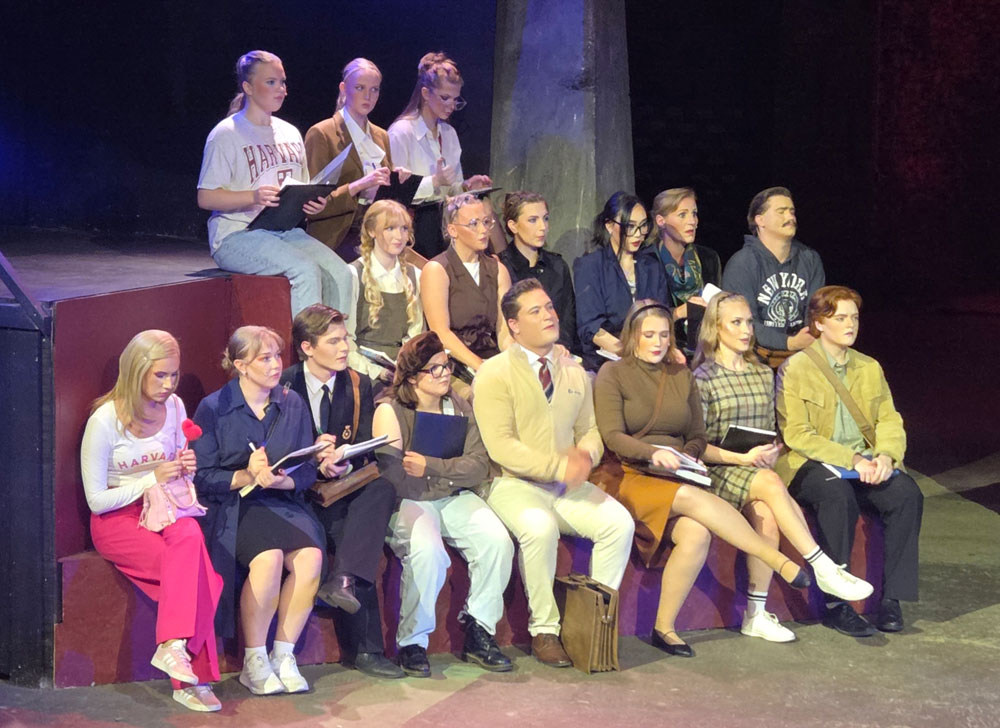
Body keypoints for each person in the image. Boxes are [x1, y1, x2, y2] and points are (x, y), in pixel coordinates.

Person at [592, 300, 816, 656]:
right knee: (692, 498)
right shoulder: (613, 373)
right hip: (630, 473)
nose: (658, 342)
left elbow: (697, 434)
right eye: (649, 335)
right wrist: (652, 453)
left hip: (674, 472)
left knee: (696, 534)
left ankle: (664, 628)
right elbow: (612, 436)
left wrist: (688, 456)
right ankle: (777, 560)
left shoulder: (680, 375)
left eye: (664, 335)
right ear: (632, 336)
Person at [473, 279, 635, 668]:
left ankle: (597, 623)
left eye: (549, 307)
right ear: (514, 326)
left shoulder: (574, 371)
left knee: (619, 523)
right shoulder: (494, 373)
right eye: (536, 311)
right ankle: (544, 630)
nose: (549, 315)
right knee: (540, 527)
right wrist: (558, 465)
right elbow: (501, 446)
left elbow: (590, 430)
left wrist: (586, 456)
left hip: (566, 485)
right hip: (512, 483)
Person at [692, 293, 873, 642]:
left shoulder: (762, 373)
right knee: (772, 484)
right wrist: (742, 459)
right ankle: (822, 565)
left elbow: (771, 432)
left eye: (749, 322)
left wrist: (772, 452)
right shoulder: (702, 377)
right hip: (718, 469)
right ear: (716, 328)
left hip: (755, 471)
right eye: (736, 323)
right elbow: (698, 445)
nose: (746, 330)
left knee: (767, 516)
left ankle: (755, 615)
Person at [80, 330, 222, 712]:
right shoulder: (104, 420)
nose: (168, 384)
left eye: (173, 375)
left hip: (165, 505)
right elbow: (96, 500)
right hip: (117, 518)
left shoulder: (175, 407)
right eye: (160, 375)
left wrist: (185, 467)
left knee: (190, 534)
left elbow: (176, 469)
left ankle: (173, 646)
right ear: (135, 370)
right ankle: (194, 678)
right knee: (199, 578)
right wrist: (150, 479)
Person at [777, 286, 923, 637]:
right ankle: (835, 604)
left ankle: (891, 598)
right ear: (818, 323)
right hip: (812, 463)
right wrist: (852, 459)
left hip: (864, 463)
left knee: (907, 494)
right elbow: (797, 434)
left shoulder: (869, 367)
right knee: (836, 495)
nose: (850, 324)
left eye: (854, 317)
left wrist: (886, 455)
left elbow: (889, 419)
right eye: (840, 318)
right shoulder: (796, 368)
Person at [193, 326, 325, 695]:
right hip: (236, 505)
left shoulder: (292, 403)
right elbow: (202, 477)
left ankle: (283, 654)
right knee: (268, 558)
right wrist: (247, 475)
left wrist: (282, 481)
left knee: (310, 557)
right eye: (264, 358)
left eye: (277, 356)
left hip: (281, 502)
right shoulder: (214, 407)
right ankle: (253, 661)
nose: (275, 365)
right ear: (240, 366)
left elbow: (306, 470)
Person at [372, 332, 514, 676]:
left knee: (497, 541)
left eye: (446, 365)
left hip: (451, 494)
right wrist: (446, 473)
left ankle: (479, 629)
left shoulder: (458, 405)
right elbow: (394, 476)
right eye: (434, 369)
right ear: (412, 377)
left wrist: (433, 467)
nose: (445, 374)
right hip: (408, 500)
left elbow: (478, 464)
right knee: (428, 550)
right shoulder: (391, 410)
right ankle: (412, 642)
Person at [279, 304, 404, 679]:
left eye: (345, 339)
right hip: (297, 491)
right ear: (307, 347)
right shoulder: (285, 385)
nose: (344, 347)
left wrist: (344, 462)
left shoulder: (358, 383)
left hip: (340, 485)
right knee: (351, 531)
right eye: (333, 341)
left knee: (381, 488)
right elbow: (274, 449)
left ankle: (342, 581)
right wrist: (315, 461)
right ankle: (364, 647)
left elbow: (363, 444)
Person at [197, 50, 352, 318]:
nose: (281, 89)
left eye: (282, 82)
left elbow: (300, 187)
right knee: (304, 269)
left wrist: (313, 203)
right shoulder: (226, 134)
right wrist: (253, 197)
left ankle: (342, 341)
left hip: (284, 231)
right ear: (248, 87)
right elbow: (206, 197)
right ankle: (308, 344)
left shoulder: (290, 132)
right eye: (271, 82)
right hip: (237, 234)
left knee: (342, 273)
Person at [305, 58, 402, 257]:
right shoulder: (322, 133)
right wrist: (358, 186)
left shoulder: (381, 136)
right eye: (360, 88)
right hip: (337, 235)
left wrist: (397, 180)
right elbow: (312, 205)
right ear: (343, 88)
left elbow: (385, 196)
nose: (368, 96)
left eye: (374, 90)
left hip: (376, 230)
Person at [721, 187, 825, 366]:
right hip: (755, 359)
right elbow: (744, 322)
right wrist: (788, 342)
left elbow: (817, 311)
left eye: (792, 211)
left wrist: (807, 338)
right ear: (760, 220)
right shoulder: (741, 264)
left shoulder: (810, 258)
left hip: (804, 354)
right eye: (781, 211)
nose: (790, 217)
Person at [573, 191, 669, 371]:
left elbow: (662, 314)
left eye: (643, 226)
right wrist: (629, 353)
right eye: (630, 226)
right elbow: (591, 327)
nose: (638, 234)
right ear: (610, 226)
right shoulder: (590, 266)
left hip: (649, 356)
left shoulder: (652, 266)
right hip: (607, 362)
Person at [420, 193, 512, 379]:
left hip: (491, 356)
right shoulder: (437, 270)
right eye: (473, 224)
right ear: (453, 230)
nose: (483, 230)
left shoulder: (498, 270)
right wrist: (480, 366)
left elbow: (504, 331)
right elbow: (441, 333)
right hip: (453, 363)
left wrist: (512, 362)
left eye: (486, 222)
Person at [387, 52, 491, 205]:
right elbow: (394, 193)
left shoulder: (449, 134)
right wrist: (435, 181)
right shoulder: (401, 132)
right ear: (425, 93)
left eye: (455, 99)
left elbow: (451, 191)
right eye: (445, 98)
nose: (452, 106)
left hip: (443, 217)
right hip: (410, 217)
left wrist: (466, 186)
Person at [345, 200, 424, 387]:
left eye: (404, 228)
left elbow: (415, 334)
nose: (399, 236)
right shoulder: (353, 274)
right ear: (372, 231)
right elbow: (346, 340)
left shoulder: (415, 275)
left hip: (402, 369)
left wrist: (406, 368)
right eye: (390, 228)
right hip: (363, 371)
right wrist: (376, 371)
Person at [498, 190, 578, 352]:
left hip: (558, 351)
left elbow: (568, 319)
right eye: (533, 220)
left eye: (545, 219)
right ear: (513, 225)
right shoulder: (500, 267)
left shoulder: (558, 266)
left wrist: (560, 347)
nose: (543, 227)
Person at [651, 187, 721, 354]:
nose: (692, 221)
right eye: (682, 215)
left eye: (694, 214)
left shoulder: (708, 258)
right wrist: (679, 312)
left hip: (704, 348)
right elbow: (644, 317)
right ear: (661, 221)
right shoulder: (649, 262)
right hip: (663, 349)